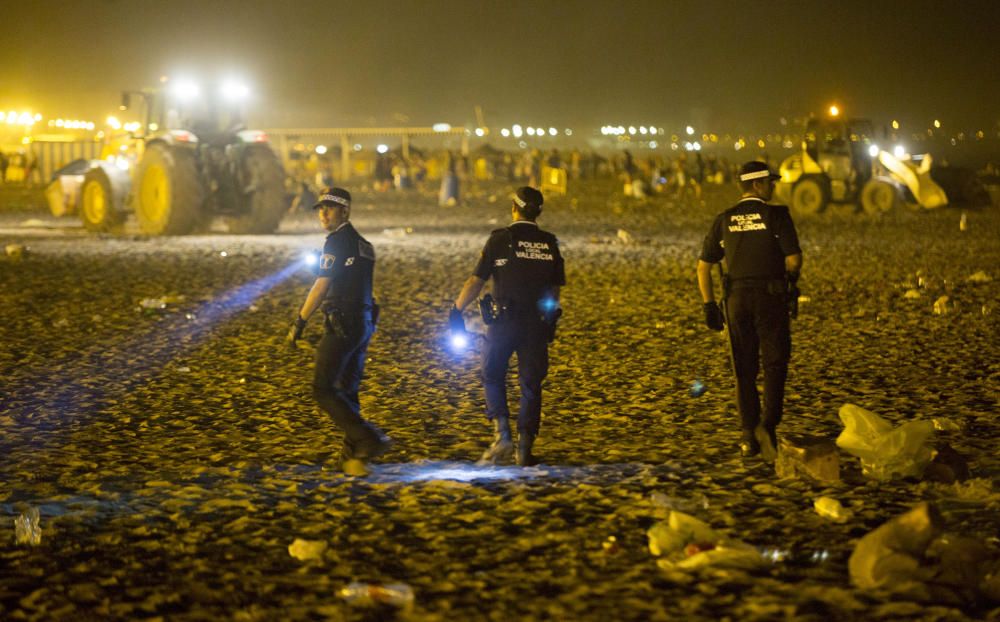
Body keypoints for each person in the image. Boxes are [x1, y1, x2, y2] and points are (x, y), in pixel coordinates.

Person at [451, 187, 565, 466]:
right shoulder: (549, 243)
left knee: (492, 375)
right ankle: (524, 448)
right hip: (535, 324)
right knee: (531, 385)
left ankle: (501, 435)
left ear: (514, 208)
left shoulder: (500, 240)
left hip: (503, 322)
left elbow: (475, 282)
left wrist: (456, 310)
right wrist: (548, 319)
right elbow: (553, 291)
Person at [696, 161, 802, 460]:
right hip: (770, 298)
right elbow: (793, 260)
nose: (774, 186)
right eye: (770, 182)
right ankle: (768, 425)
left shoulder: (724, 219)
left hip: (736, 300)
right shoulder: (777, 215)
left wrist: (708, 306)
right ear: (757, 185)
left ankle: (747, 434)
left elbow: (704, 267)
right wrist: (791, 284)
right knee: (774, 364)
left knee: (743, 369)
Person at [286, 187, 392, 469]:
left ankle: (368, 439)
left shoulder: (336, 241)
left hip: (343, 321)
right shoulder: (364, 244)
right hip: (364, 321)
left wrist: (300, 320)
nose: (323, 213)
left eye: (329, 208)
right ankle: (354, 454)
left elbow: (322, 284)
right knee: (348, 388)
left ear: (345, 211)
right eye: (320, 208)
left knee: (322, 388)